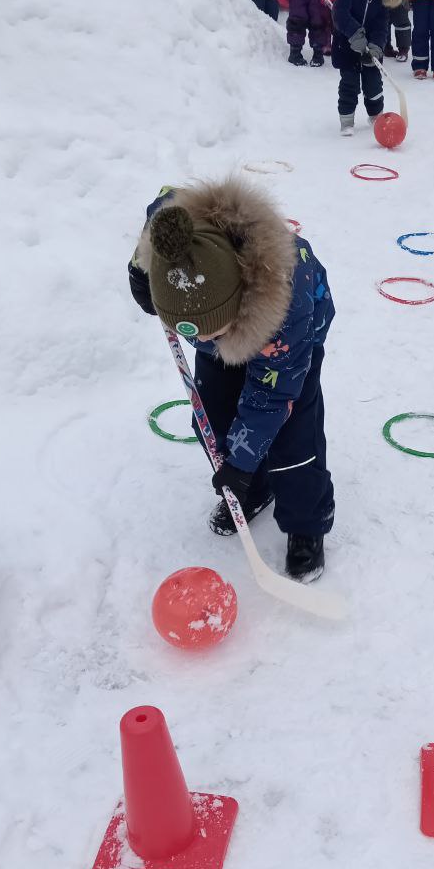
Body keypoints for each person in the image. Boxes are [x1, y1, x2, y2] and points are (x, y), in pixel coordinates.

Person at [128, 179, 336, 583]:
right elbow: (160, 212)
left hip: (285, 345)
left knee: (292, 440)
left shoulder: (287, 303)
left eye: (212, 331)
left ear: (237, 302)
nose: (203, 339)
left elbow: (271, 398)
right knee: (212, 419)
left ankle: (306, 523)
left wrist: (239, 461)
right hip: (233, 329)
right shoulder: (176, 232)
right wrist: (141, 268)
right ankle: (253, 490)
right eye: (192, 331)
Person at [331, 0, 404, 134]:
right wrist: (354, 33)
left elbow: (382, 25)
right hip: (347, 46)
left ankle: (375, 116)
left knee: (374, 84)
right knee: (350, 84)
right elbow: (339, 14)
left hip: (370, 49)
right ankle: (347, 121)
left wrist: (376, 46)